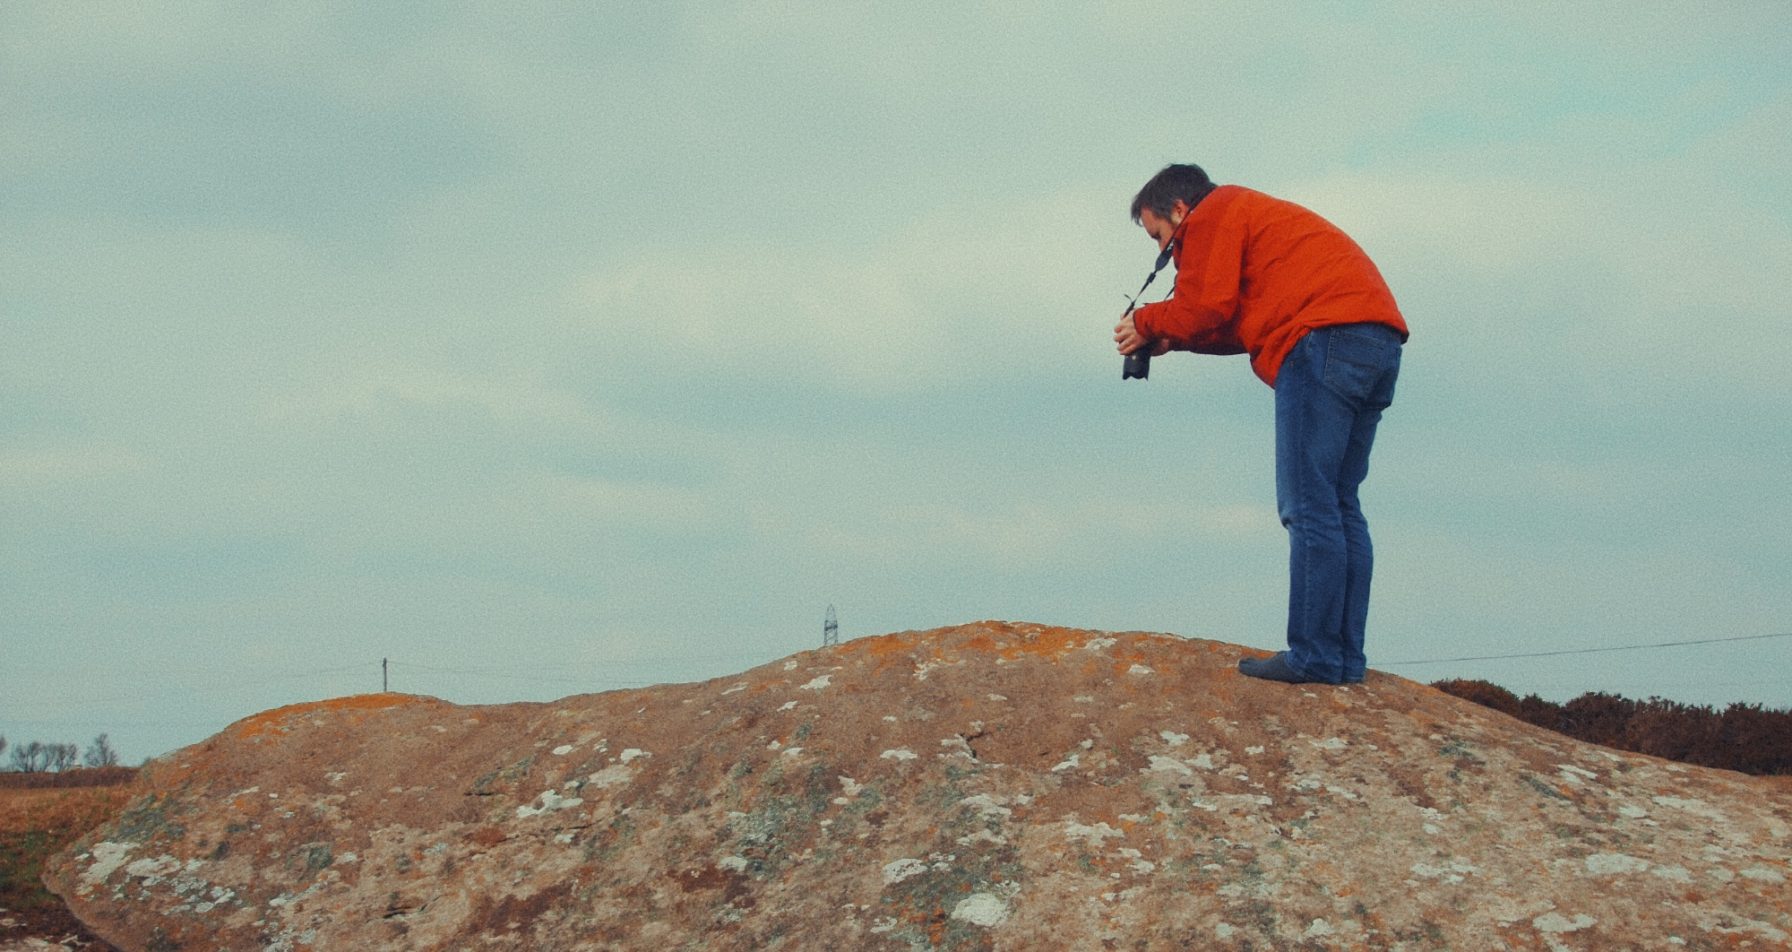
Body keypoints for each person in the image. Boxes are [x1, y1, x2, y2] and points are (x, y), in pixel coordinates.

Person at [1114, 163, 1408, 685]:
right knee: (1340, 502)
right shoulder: (1252, 216)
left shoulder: (1216, 213)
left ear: (1180, 210)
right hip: (1374, 342)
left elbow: (1206, 305)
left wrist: (1145, 320)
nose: (1163, 253)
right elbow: (1232, 320)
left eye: (1159, 237)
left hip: (1321, 340)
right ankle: (1343, 659)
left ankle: (1314, 656)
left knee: (1308, 504)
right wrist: (1171, 335)